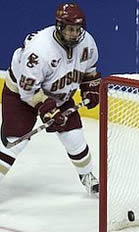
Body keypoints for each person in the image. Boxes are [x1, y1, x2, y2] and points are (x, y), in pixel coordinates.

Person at [0, 3, 100, 195]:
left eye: (77, 29)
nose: (74, 33)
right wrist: (46, 108)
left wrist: (90, 87)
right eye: (70, 29)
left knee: (74, 137)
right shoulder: (39, 50)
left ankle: (87, 176)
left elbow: (89, 71)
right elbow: (27, 91)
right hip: (21, 96)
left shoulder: (87, 43)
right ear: (59, 26)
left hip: (60, 97)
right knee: (15, 142)